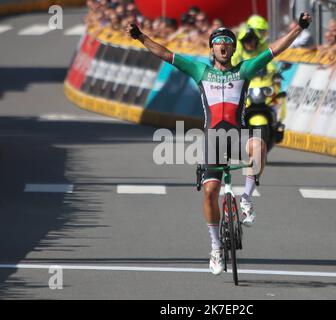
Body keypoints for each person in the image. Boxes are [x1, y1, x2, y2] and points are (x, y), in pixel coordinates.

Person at [126, 12, 313, 275]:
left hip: (238, 136)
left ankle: (246, 199)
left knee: (258, 144)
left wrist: (298, 27)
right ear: (212, 48)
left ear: (233, 48)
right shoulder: (200, 70)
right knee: (210, 191)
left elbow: (274, 50)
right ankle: (215, 248)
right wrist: (140, 37)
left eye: (228, 42)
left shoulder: (244, 69)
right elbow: (166, 54)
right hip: (213, 139)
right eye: (219, 42)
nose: (223, 45)